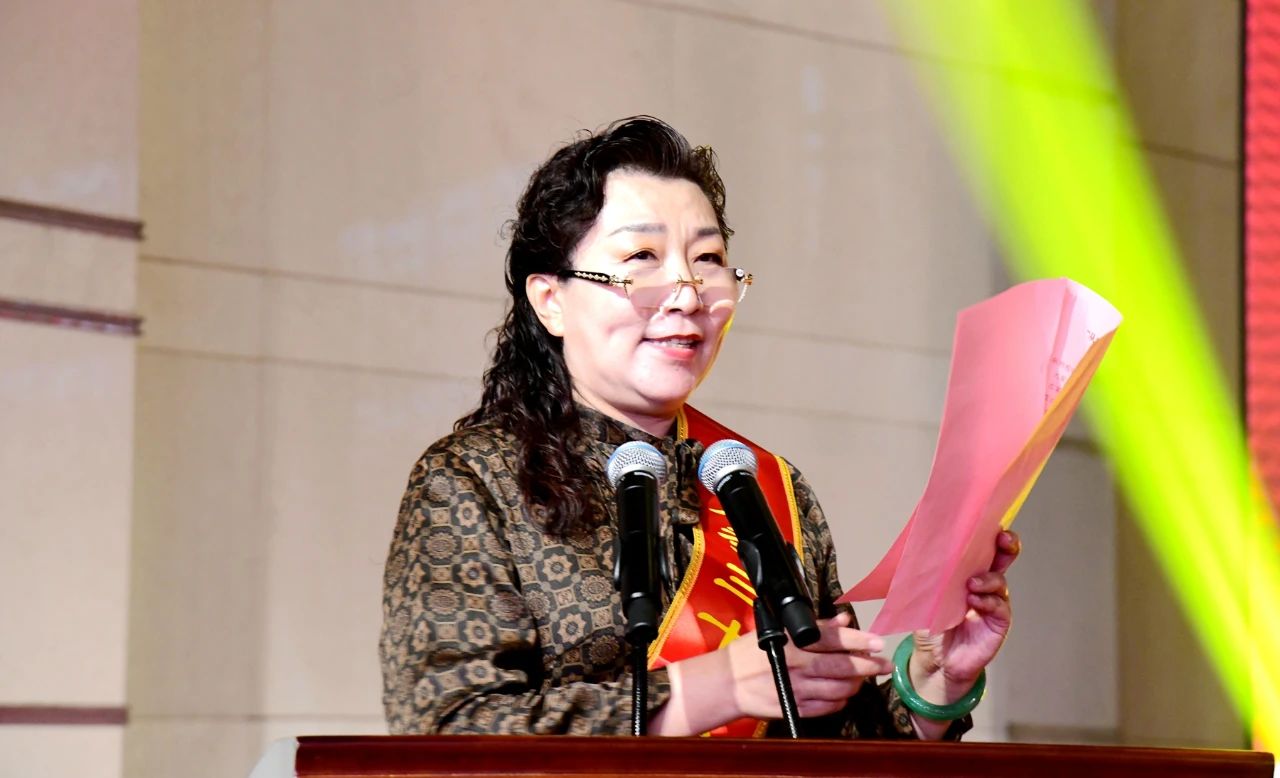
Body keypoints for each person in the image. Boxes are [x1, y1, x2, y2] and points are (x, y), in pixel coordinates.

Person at [379, 116, 1020, 738]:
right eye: (642, 257)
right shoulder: (472, 481)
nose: (687, 295)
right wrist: (717, 687)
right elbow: (447, 731)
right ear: (551, 301)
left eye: (708, 259)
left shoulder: (761, 484)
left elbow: (832, 749)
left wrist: (937, 680)